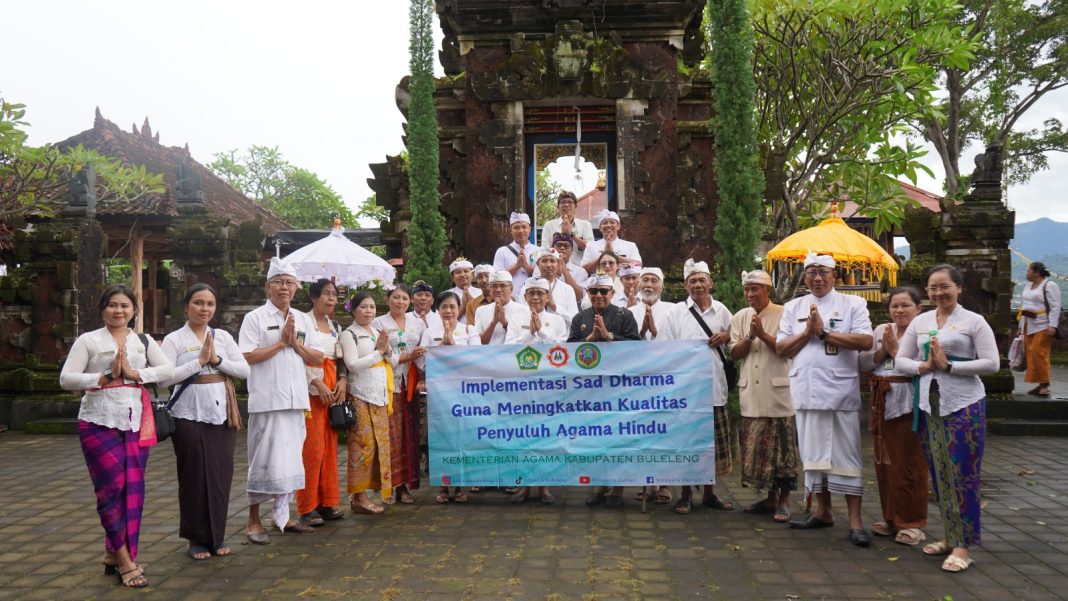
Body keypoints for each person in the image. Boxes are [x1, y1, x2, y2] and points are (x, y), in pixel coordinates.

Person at [60, 284, 175, 587]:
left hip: (136, 421)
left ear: (134, 310)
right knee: (111, 491)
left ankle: (115, 553)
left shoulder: (143, 340)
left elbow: (168, 370)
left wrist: (137, 374)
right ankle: (126, 561)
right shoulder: (88, 340)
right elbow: (66, 378)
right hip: (98, 422)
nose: (119, 311)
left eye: (125, 305)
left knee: (133, 491)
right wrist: (104, 376)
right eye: (112, 305)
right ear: (102, 309)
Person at [896, 264, 999, 573]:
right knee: (940, 474)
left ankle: (963, 547)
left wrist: (951, 366)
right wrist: (922, 367)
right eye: (933, 288)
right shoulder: (922, 320)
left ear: (959, 288)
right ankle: (950, 534)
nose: (939, 293)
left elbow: (992, 363)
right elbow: (901, 358)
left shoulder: (974, 321)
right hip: (930, 405)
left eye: (945, 287)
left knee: (963, 475)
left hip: (964, 405)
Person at [775, 252, 874, 547]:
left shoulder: (853, 303)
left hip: (840, 392)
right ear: (804, 277)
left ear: (834, 275)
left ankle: (856, 521)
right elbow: (782, 348)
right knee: (814, 455)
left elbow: (866, 341)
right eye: (811, 272)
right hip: (806, 391)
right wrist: (808, 332)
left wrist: (826, 333)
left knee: (847, 456)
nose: (817, 278)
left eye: (823, 272)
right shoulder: (793, 307)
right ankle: (823, 511)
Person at [239, 258, 324, 544]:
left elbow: (318, 357)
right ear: (268, 286)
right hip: (267, 400)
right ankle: (253, 521)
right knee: (261, 460)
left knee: (289, 461)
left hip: (296, 400)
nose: (284, 287)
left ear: (296, 287)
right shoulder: (255, 318)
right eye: (279, 282)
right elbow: (247, 356)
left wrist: (295, 344)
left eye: (289, 283)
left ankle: (282, 518)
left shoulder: (302, 318)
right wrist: (280, 344)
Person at [161, 283, 249, 560]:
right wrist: (198, 363)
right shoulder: (174, 339)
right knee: (194, 476)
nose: (204, 309)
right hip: (187, 414)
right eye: (198, 303)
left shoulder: (222, 336)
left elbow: (244, 370)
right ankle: (196, 539)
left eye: (210, 304)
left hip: (221, 413)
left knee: (221, 475)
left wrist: (217, 359)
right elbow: (163, 378)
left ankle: (217, 536)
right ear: (186, 307)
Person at [663, 259, 735, 515]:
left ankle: (709, 493)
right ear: (685, 285)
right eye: (692, 280)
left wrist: (727, 336)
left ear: (710, 283)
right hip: (685, 392)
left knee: (712, 446)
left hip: (715, 387)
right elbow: (666, 349)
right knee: (686, 443)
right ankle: (684, 494)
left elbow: (734, 346)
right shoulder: (675, 313)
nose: (697, 285)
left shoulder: (723, 311)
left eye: (702, 279)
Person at [727, 270, 799, 523]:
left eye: (755, 289)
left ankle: (784, 501)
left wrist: (763, 335)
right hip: (752, 393)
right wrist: (749, 336)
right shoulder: (740, 317)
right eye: (747, 289)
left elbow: (788, 349)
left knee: (783, 451)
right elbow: (734, 353)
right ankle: (769, 498)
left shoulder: (784, 314)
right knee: (759, 452)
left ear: (767, 289)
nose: (750, 294)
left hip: (778, 392)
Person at [858, 287, 928, 545]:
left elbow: (926, 368)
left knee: (909, 464)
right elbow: (865, 363)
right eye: (894, 306)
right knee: (884, 463)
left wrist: (897, 352)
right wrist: (883, 351)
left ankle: (912, 523)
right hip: (881, 401)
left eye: (905, 305)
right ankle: (890, 517)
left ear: (918, 308)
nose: (899, 311)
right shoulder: (881, 330)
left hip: (909, 402)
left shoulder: (925, 333)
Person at [570, 273, 641, 507]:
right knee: (597, 440)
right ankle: (600, 485)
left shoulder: (624, 315)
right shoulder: (580, 317)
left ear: (612, 293)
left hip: (619, 389)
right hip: (589, 391)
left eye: (603, 291)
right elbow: (567, 352)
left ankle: (618, 490)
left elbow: (637, 347)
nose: (598, 295)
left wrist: (609, 337)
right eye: (594, 291)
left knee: (618, 439)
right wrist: (589, 338)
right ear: (588, 294)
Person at [506, 277, 568, 505]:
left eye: (540, 293)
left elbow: (561, 350)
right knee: (524, 436)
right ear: (524, 296)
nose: (535, 297)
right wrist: (529, 334)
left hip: (548, 385)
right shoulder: (516, 318)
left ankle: (545, 486)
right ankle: (524, 484)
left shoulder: (557, 320)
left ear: (548, 296)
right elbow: (508, 348)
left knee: (546, 435)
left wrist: (541, 332)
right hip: (522, 385)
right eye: (531, 293)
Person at [418, 291, 483, 503]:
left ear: (459, 309)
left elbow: (477, 360)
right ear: (438, 310)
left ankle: (460, 485)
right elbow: (421, 363)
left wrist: (452, 348)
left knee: (464, 438)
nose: (448, 311)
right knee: (441, 438)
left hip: (465, 394)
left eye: (452, 307)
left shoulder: (469, 330)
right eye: (444, 307)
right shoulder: (430, 332)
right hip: (439, 395)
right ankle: (443, 486)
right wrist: (440, 348)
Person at [296, 279, 347, 526]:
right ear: (314, 297)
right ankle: (307, 506)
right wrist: (317, 382)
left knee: (329, 449)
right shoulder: (302, 323)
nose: (331, 299)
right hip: (312, 389)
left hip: (333, 389)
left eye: (334, 295)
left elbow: (340, 357)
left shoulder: (334, 325)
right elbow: (297, 358)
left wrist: (343, 380)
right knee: (312, 449)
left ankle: (328, 501)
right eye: (326, 294)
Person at [373, 285, 429, 504]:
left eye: (404, 298)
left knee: (410, 434)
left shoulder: (418, 323)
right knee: (391, 436)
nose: (400, 301)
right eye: (396, 297)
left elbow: (424, 351)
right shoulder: (379, 323)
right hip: (389, 385)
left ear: (410, 301)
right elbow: (381, 354)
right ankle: (389, 486)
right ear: (388, 299)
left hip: (412, 385)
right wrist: (405, 357)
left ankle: (405, 486)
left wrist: (423, 375)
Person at [341, 291, 394, 515]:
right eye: (363, 306)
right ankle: (358, 497)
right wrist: (378, 352)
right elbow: (352, 365)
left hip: (379, 396)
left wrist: (387, 350)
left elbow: (392, 359)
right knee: (363, 446)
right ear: (353, 309)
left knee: (379, 446)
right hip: (360, 395)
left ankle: (372, 492)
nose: (369, 311)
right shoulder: (348, 334)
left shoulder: (374, 331)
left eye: (372, 307)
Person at [627, 266, 676, 506]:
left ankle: (664, 483)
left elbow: (679, 346)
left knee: (663, 431)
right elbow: (625, 348)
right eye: (644, 280)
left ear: (662, 286)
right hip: (636, 383)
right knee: (641, 433)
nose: (648, 284)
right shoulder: (628, 312)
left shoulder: (674, 311)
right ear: (637, 284)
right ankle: (644, 482)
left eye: (653, 281)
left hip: (665, 381)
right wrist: (642, 333)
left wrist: (654, 333)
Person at [1019, 261, 1061, 397]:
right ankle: (1040, 383)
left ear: (1036, 272)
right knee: (1031, 354)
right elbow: (1025, 305)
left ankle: (1045, 384)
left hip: (1043, 324)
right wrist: (1020, 325)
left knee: (1039, 354)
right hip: (1028, 323)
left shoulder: (1049, 285)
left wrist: (1052, 325)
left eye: (1028, 270)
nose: (1026, 273)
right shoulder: (1028, 286)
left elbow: (1055, 306)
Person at [474, 270, 530, 345]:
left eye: (503, 285)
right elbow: (478, 342)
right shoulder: (481, 311)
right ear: (490, 289)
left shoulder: (524, 310)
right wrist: (494, 322)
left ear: (511, 289)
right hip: (488, 355)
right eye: (494, 286)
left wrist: (504, 322)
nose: (498, 290)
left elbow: (525, 340)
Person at [540, 190, 594, 267]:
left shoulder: (585, 225)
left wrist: (571, 235)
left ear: (575, 206)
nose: (566, 205)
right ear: (558, 207)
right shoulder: (549, 225)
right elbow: (545, 250)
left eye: (570, 202)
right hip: (556, 269)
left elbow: (591, 249)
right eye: (563, 202)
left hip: (580, 270)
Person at [532, 248, 583, 327]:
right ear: (538, 264)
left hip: (560, 338)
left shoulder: (567, 289)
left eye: (552, 261)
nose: (548, 265)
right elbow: (522, 317)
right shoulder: (527, 289)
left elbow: (575, 320)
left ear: (559, 264)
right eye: (544, 261)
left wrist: (554, 307)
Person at [493, 212, 540, 292]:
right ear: (511, 230)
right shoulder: (502, 251)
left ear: (530, 229)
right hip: (510, 298)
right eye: (516, 228)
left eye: (524, 227)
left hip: (532, 298)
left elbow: (542, 276)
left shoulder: (538, 251)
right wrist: (517, 266)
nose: (521, 231)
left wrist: (526, 266)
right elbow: (496, 277)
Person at [446, 258, 482, 324]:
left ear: (472, 275)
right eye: (458, 272)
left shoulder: (481, 293)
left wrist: (472, 303)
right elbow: (446, 321)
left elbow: (485, 317)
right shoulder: (446, 295)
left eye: (466, 271)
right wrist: (463, 306)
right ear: (452, 278)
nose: (462, 275)